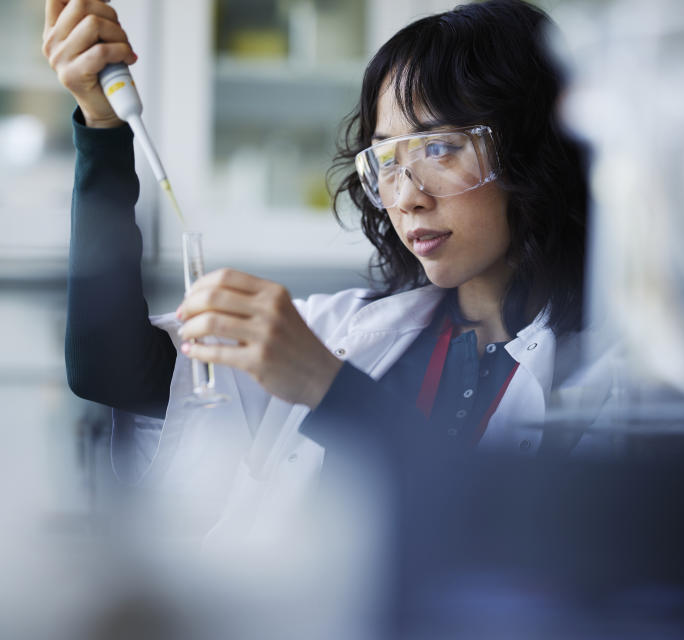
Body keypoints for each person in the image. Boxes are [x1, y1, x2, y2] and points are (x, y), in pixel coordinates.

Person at [44, 0, 616, 537]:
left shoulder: (613, 382)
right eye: (388, 157)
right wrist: (102, 128)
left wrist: (328, 388)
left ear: (537, 152)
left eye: (440, 147)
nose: (408, 196)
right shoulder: (339, 332)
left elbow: (503, 536)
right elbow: (107, 367)